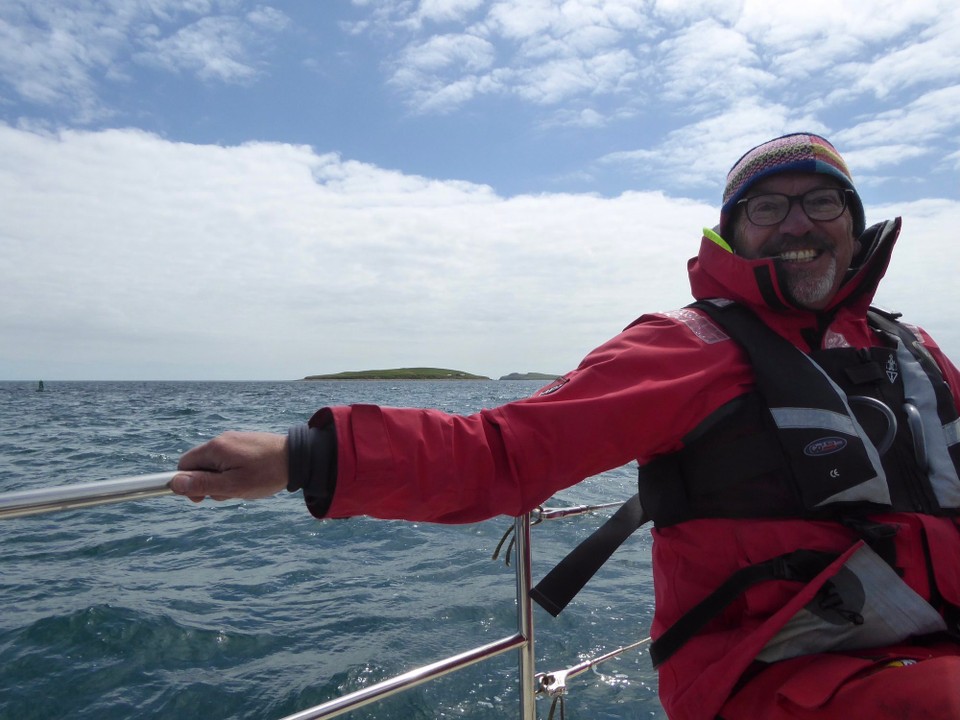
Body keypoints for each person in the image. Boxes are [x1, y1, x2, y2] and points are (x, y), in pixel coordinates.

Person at [172, 133, 960, 719]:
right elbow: (501, 455)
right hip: (777, 671)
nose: (797, 224)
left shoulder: (914, 350)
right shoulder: (686, 349)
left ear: (853, 224)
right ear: (732, 232)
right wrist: (304, 456)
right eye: (767, 207)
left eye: (821, 202)